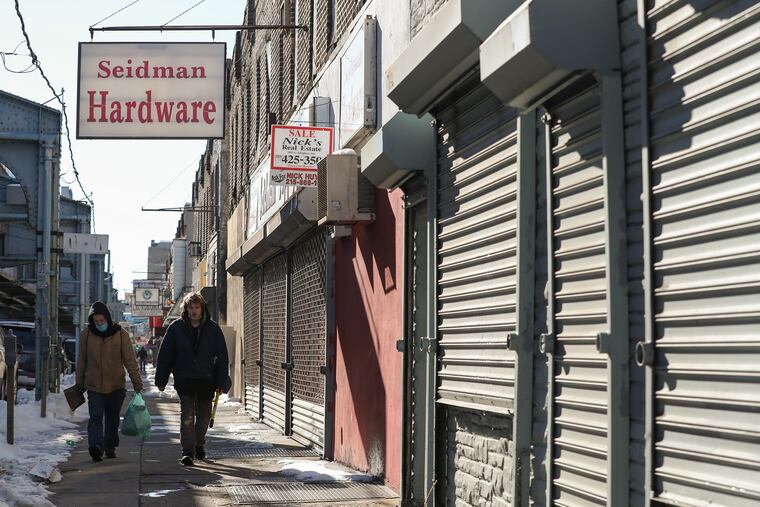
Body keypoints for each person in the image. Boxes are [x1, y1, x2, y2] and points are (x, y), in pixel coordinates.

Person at [155, 292, 229, 466]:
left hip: (206, 381)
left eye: (197, 307)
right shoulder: (176, 328)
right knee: (187, 416)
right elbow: (166, 355)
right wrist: (161, 379)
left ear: (202, 309)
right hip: (185, 380)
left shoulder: (213, 329)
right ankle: (187, 451)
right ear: (186, 309)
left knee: (203, 417)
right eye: (191, 307)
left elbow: (222, 358)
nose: (194, 311)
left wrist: (221, 382)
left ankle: (199, 445)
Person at [75, 301, 143, 462]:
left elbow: (130, 360)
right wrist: (79, 383)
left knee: (112, 419)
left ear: (107, 318)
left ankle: (110, 446)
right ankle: (96, 447)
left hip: (116, 385)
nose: (99, 324)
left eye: (102, 321)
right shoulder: (86, 335)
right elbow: (82, 361)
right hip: (94, 385)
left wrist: (136, 382)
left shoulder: (121, 334)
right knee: (96, 417)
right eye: (96, 321)